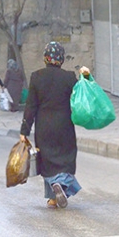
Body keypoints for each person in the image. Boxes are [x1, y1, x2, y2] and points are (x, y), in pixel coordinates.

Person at [20, 42, 82, 209]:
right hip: (65, 126)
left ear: (45, 58)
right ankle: (58, 188)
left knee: (48, 161)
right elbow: (79, 100)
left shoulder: (36, 76)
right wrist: (86, 78)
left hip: (44, 127)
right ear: (61, 59)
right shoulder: (69, 77)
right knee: (66, 160)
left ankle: (54, 196)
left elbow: (30, 106)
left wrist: (24, 131)